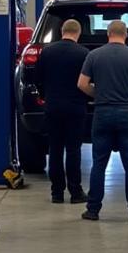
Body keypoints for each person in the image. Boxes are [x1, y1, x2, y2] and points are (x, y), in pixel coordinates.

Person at [78, 20, 128, 222]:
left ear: (108, 34)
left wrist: (98, 93)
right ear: (125, 35)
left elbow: (82, 83)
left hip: (102, 113)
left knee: (99, 164)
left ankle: (93, 210)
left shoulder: (94, 55)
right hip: (127, 113)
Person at [34, 18, 88, 204]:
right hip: (75, 108)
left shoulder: (47, 52)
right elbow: (87, 82)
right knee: (73, 150)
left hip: (53, 107)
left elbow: (37, 78)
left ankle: (56, 193)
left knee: (55, 149)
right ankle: (76, 192)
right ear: (78, 33)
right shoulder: (83, 53)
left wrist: (47, 95)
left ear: (62, 31)